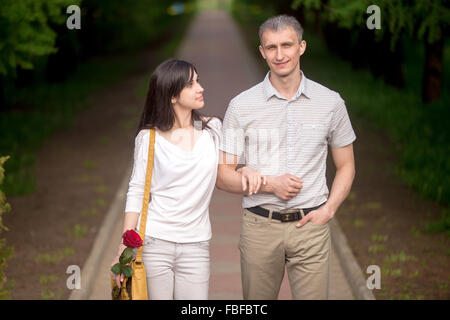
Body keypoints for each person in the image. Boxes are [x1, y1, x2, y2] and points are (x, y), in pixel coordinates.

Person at [216, 15, 356, 300]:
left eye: (287, 45)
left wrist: (329, 210)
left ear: (301, 47)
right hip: (259, 228)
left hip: (311, 227)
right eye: (271, 47)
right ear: (261, 52)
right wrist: (270, 184)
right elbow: (222, 175)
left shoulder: (330, 102)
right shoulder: (241, 106)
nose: (279, 55)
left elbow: (346, 165)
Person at [110, 58, 225, 300]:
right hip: (155, 243)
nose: (200, 88)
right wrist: (124, 244)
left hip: (196, 244)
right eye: (191, 84)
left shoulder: (213, 129)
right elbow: (137, 189)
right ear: (172, 96)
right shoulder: (149, 138)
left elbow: (228, 171)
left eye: (198, 81)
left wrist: (252, 176)